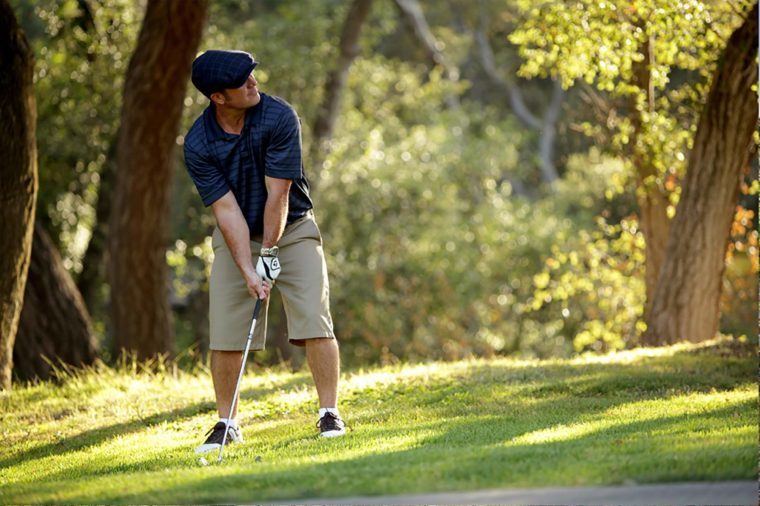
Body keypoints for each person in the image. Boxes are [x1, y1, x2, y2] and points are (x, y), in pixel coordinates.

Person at [183, 49, 345, 454]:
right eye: (242, 81)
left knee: (313, 317)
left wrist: (269, 254)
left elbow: (279, 195)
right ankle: (227, 422)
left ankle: (329, 412)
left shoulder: (278, 116)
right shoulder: (199, 143)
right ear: (218, 97)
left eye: (252, 74)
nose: (253, 82)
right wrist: (247, 268)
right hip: (238, 235)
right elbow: (226, 211)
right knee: (227, 329)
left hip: (292, 227)